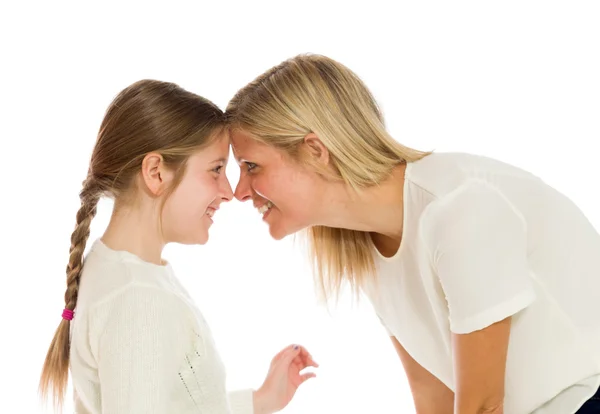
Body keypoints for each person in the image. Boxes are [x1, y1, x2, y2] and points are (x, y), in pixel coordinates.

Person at [225, 54, 600, 414]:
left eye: (251, 166)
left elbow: (484, 407)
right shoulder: (365, 241)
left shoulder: (458, 210)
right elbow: (433, 394)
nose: (239, 191)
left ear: (315, 150)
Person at [39, 79, 318, 414]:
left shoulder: (115, 270)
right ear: (156, 172)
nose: (229, 191)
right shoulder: (138, 299)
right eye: (215, 169)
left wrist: (257, 402)